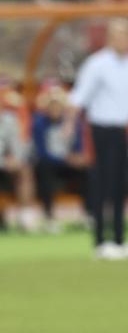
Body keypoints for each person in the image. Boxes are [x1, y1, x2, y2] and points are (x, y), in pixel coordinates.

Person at [65, 18, 128, 260]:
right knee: (102, 184)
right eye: (119, 35)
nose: (124, 40)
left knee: (122, 185)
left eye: (127, 35)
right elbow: (79, 97)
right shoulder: (97, 64)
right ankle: (101, 242)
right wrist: (70, 124)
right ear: (110, 38)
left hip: (122, 130)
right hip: (100, 129)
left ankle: (121, 240)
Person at [31, 86, 90, 232]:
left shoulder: (72, 122)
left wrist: (77, 157)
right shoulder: (39, 123)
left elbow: (78, 146)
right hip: (49, 163)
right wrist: (65, 159)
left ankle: (89, 214)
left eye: (57, 104)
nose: (55, 108)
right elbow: (41, 151)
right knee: (44, 168)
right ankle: (49, 216)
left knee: (88, 170)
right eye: (52, 104)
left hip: (68, 164)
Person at [0, 97, 34, 232]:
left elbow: (18, 145)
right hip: (3, 162)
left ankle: (25, 217)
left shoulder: (10, 120)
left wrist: (16, 160)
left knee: (25, 170)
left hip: (6, 166)